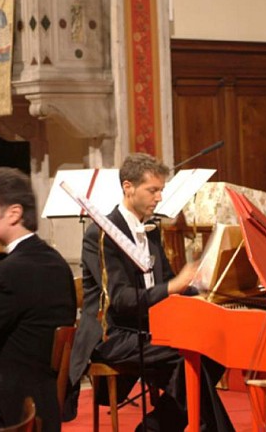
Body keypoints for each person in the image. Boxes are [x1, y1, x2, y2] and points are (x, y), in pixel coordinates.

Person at [68, 153, 234, 431]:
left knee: (213, 350)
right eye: (152, 190)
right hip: (114, 334)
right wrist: (173, 286)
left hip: (150, 328)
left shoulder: (151, 230)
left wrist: (207, 291)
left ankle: (154, 427)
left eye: (161, 191)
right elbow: (119, 301)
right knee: (187, 357)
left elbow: (167, 282)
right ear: (128, 187)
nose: (159, 198)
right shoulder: (102, 233)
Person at [0, 167, 77, 432]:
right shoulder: (54, 263)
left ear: (14, 213)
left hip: (1, 411)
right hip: (41, 406)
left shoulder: (4, 275)